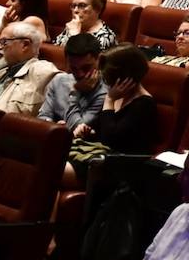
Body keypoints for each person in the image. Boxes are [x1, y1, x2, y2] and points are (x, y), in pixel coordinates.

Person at [66, 45, 157, 178]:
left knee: (49, 171)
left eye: (109, 79)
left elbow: (111, 139)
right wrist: (88, 132)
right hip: (96, 158)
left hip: (115, 167)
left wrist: (109, 100)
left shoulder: (144, 104)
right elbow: (102, 131)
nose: (107, 83)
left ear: (124, 78)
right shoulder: (119, 97)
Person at [0, 21, 61, 114]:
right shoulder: (0, 74)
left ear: (25, 45)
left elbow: (68, 90)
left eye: (4, 42)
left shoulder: (42, 70)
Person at [38, 33, 107, 133]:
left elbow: (79, 129)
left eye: (86, 68)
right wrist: (53, 126)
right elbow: (43, 116)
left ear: (98, 60)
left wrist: (75, 92)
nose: (80, 74)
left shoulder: (104, 92)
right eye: (73, 68)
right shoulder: (59, 81)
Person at [53, 0, 118, 49]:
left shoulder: (105, 37)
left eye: (82, 6)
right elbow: (55, 49)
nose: (75, 10)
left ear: (98, 9)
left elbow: (79, 58)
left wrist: (75, 36)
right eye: (73, 6)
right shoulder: (73, 26)